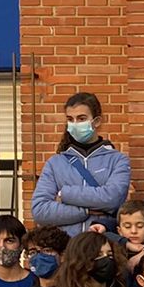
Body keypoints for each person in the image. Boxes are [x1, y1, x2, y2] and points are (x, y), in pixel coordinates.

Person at [31, 91, 132, 236]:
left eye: (81, 118)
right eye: (70, 119)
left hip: (102, 245)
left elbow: (112, 199)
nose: (75, 124)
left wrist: (65, 194)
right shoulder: (55, 163)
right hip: (66, 246)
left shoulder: (118, 160)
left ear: (97, 121)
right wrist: (85, 211)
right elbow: (40, 210)